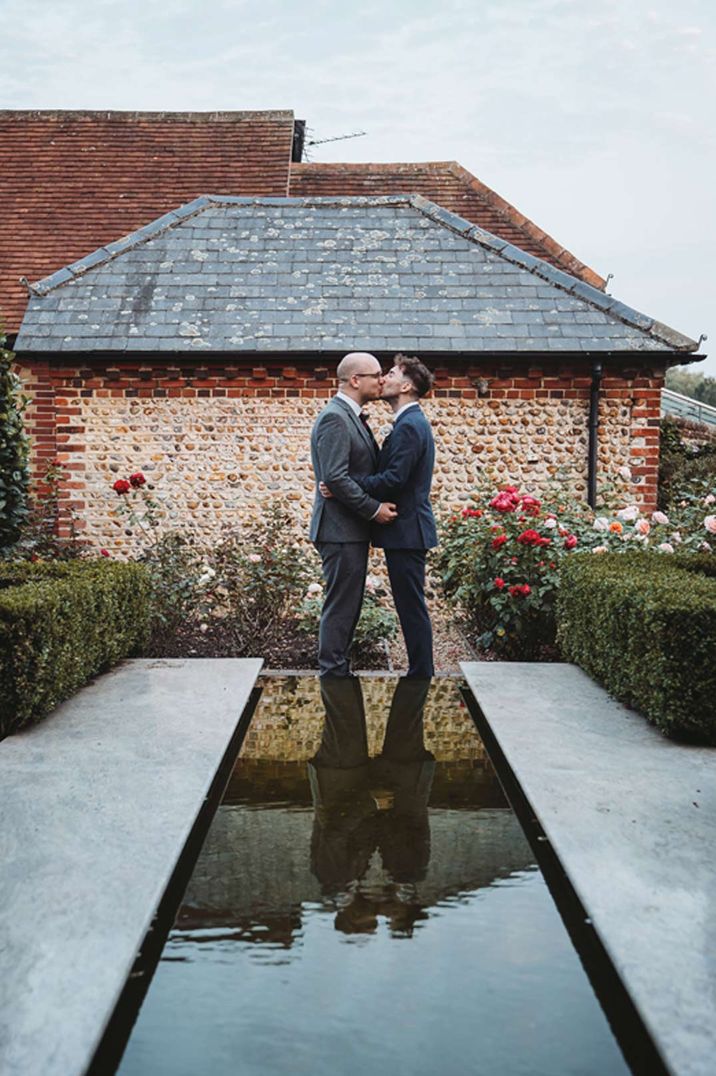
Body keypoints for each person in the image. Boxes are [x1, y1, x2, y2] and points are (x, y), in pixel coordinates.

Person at [321, 354, 437, 678]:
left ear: (407, 385)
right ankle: (420, 672)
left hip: (408, 530)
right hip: (404, 531)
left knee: (411, 607)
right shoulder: (406, 422)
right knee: (409, 605)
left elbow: (394, 480)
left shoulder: (411, 425)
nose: (384, 378)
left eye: (392, 372)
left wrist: (345, 483)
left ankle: (421, 676)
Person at [309, 352, 397, 677]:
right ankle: (334, 676)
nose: (382, 380)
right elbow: (334, 476)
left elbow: (340, 478)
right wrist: (373, 510)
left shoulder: (350, 416)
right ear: (356, 380)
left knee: (348, 606)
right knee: (342, 608)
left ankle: (338, 671)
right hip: (339, 531)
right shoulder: (335, 417)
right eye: (376, 375)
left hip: (347, 531)